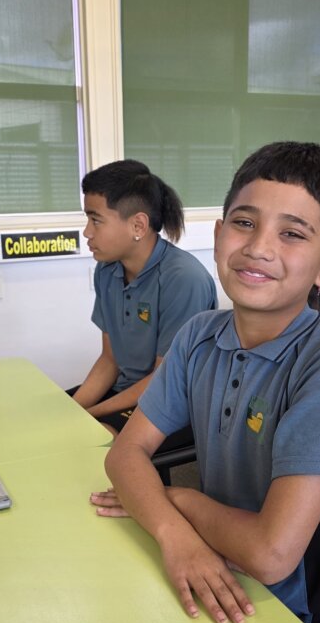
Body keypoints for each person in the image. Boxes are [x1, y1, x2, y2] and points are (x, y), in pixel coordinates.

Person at [89, 142, 320, 623]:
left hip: (309, 620)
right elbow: (125, 454)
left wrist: (177, 498)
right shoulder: (198, 336)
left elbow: (272, 554)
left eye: (292, 234)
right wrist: (174, 533)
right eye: (244, 223)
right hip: (218, 569)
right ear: (217, 233)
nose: (259, 247)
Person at [70, 159, 216, 445]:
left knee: (88, 439)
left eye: (95, 220)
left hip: (175, 403)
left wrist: (90, 414)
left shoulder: (183, 279)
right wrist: (73, 409)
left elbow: (163, 380)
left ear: (138, 224)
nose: (87, 232)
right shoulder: (107, 270)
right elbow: (110, 359)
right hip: (127, 391)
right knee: (53, 417)